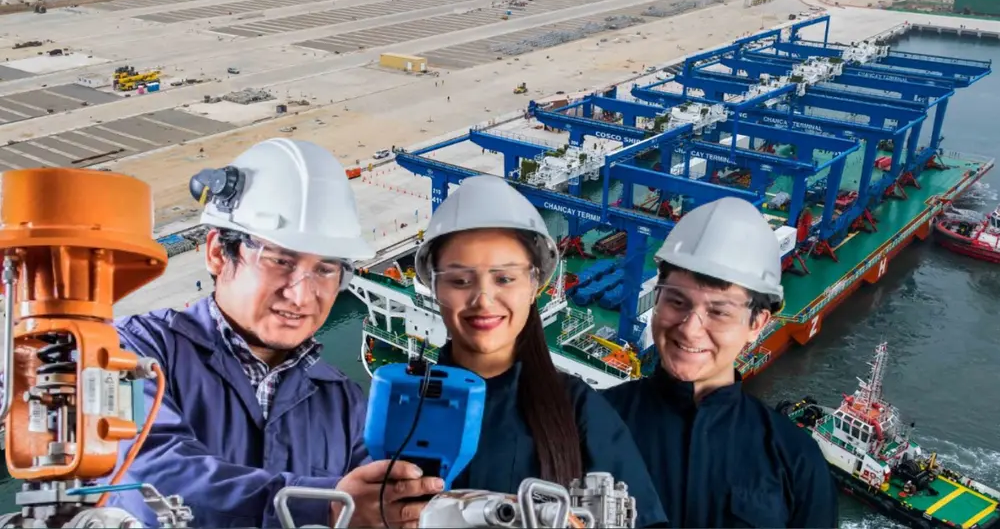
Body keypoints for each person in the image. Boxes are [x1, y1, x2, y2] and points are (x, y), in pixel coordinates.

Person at [107, 138, 443, 528]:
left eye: (325, 269)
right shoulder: (133, 351)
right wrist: (328, 507)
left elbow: (376, 501)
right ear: (217, 253)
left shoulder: (342, 402)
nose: (301, 295)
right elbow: (149, 474)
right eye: (279, 260)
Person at [413, 175, 668, 528]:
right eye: (459, 280)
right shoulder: (403, 405)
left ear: (534, 286)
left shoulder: (577, 410)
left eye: (505, 279)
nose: (483, 300)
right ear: (434, 285)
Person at [601, 197, 839, 528]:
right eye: (677, 301)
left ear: (757, 324)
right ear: (657, 299)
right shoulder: (588, 422)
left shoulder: (797, 462)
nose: (690, 328)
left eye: (719, 312)